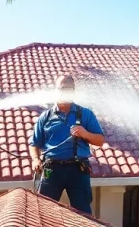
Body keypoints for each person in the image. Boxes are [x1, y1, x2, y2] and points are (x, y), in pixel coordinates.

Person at [28, 74, 105, 214]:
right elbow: (34, 143)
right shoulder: (45, 117)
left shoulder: (85, 114)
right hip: (51, 170)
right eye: (61, 88)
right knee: (44, 214)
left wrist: (85, 134)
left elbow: (99, 141)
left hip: (77, 170)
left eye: (67, 88)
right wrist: (35, 159)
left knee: (84, 215)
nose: (63, 91)